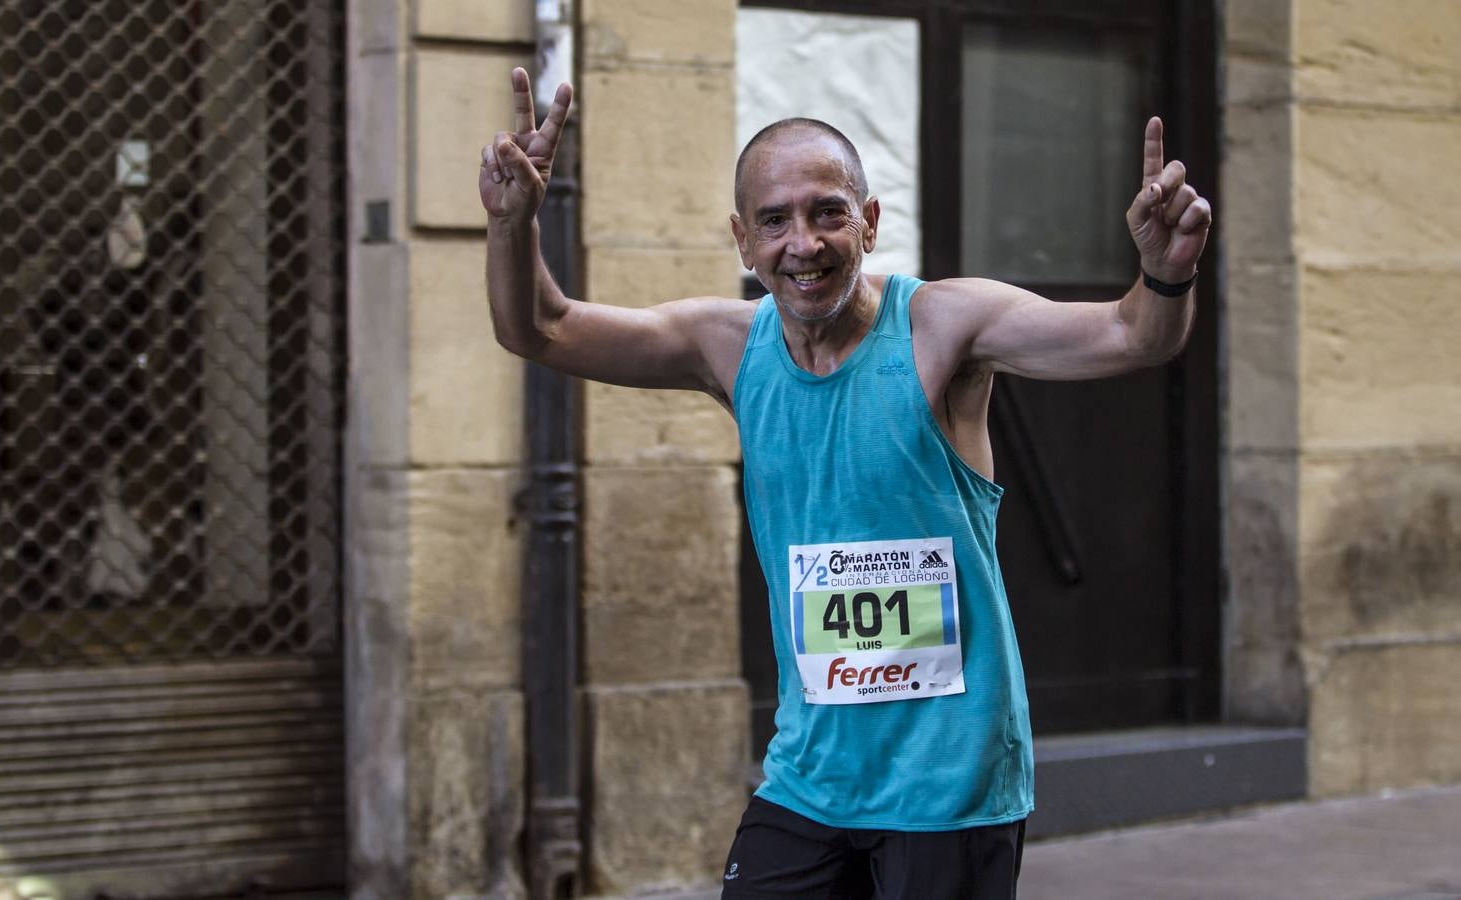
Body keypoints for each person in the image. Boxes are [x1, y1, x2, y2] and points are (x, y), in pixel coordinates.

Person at [481, 67, 1211, 899]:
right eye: (775, 221)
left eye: (828, 213)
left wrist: (1164, 275)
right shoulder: (725, 345)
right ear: (742, 241)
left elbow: (1129, 337)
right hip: (809, 777)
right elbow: (540, 327)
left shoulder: (945, 326)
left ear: (867, 221)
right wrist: (512, 225)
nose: (804, 243)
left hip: (950, 785)